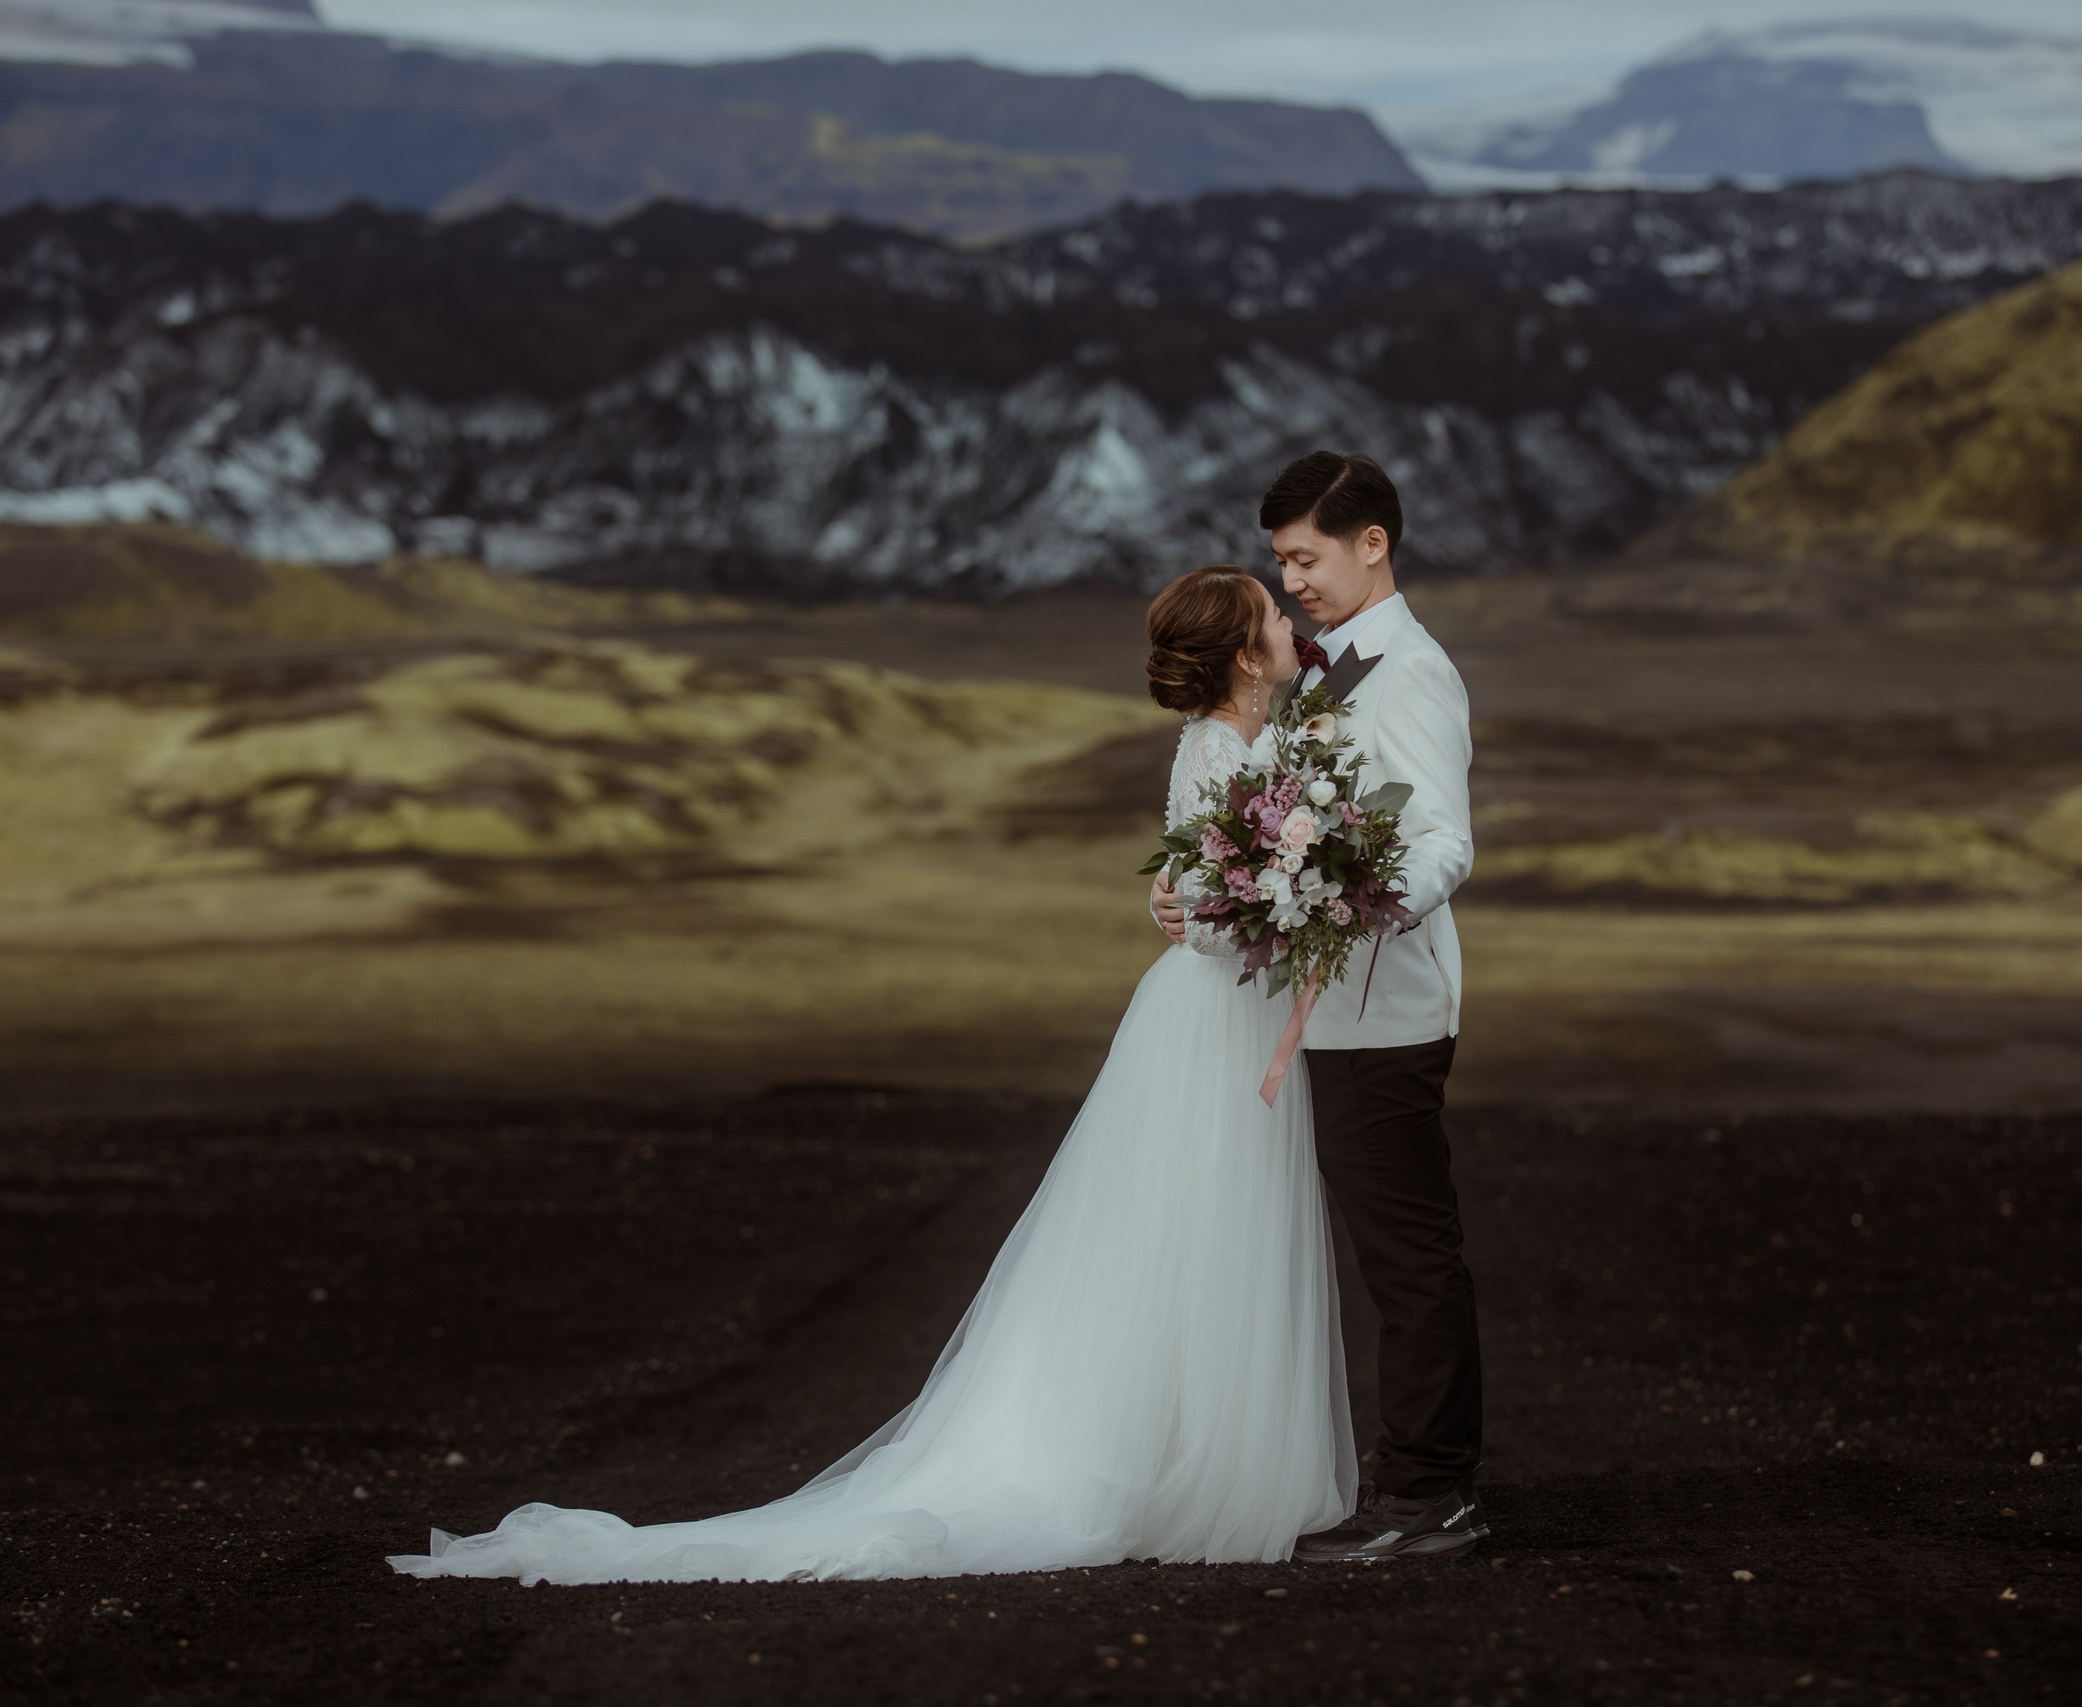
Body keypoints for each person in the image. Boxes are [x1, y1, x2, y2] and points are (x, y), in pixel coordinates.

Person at [388, 565, 1355, 1584]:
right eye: (1271, 613)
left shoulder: (1259, 743)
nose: (1292, 623)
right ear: (1246, 654)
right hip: (1211, 1023)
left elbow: (1188, 881)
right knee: (1193, 1230)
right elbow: (1204, 904)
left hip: (1231, 1016)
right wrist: (1263, 904)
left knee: (1211, 1231)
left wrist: (1235, 895)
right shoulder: (1216, 745)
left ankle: (1204, 1458)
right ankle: (1175, 1468)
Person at [1152, 450, 1486, 1561]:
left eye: (1304, 557)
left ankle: (1429, 1495)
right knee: (1372, 1257)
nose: (1290, 579)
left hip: (1381, 1015)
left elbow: (1443, 841)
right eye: (1280, 562)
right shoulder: (1321, 674)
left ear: (1371, 545)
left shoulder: (1413, 671)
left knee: (1405, 1260)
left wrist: (1353, 901)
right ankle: (1401, 1482)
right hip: (1320, 1016)